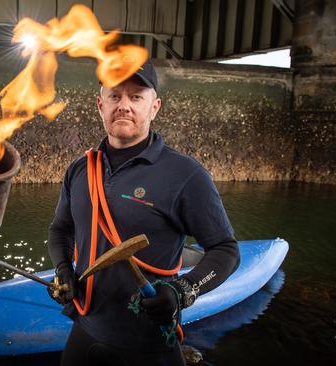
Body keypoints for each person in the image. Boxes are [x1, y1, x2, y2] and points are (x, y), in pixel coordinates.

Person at [47, 59, 240, 366]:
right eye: (114, 96)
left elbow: (226, 250)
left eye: (136, 96)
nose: (124, 105)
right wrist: (62, 269)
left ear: (154, 107)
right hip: (85, 330)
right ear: (100, 105)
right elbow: (60, 229)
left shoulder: (185, 175)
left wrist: (182, 290)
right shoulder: (80, 169)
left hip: (150, 343)